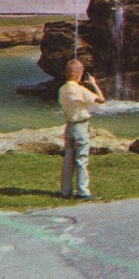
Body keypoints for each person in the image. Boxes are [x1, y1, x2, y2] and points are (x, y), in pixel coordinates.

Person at [58, 58, 106, 200]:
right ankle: (83, 191)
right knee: (81, 159)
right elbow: (101, 100)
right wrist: (93, 84)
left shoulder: (62, 90)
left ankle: (65, 191)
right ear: (79, 74)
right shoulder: (81, 90)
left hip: (69, 126)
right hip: (80, 127)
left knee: (68, 160)